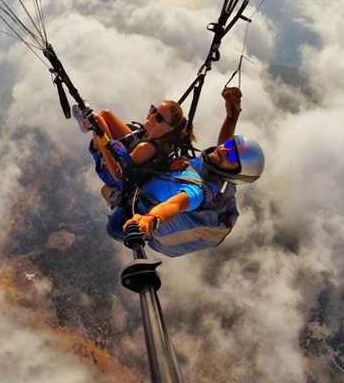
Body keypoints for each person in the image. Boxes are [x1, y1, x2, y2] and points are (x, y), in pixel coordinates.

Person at [107, 87, 266, 257]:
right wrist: (232, 116)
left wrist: (151, 219)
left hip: (138, 205)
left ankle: (117, 198)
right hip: (150, 179)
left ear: (235, 173)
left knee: (114, 223)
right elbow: (224, 147)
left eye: (233, 156)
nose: (224, 150)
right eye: (229, 145)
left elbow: (175, 205)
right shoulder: (213, 166)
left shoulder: (200, 191)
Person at [74, 100, 192, 207]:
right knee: (106, 114)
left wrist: (103, 145)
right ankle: (88, 125)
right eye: (154, 110)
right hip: (130, 150)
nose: (152, 116)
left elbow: (118, 174)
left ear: (169, 129)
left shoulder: (146, 148)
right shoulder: (156, 134)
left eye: (159, 118)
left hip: (113, 171)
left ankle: (86, 125)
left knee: (96, 121)